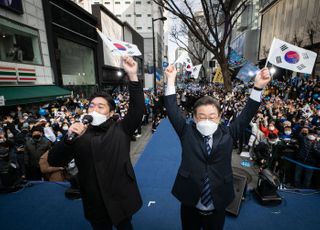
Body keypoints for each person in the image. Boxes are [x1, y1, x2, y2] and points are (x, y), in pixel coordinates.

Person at [163, 65, 271, 230]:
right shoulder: (186, 132)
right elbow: (172, 110)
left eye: (212, 117)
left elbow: (247, 114)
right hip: (190, 198)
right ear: (194, 117)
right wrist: (170, 80)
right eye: (202, 117)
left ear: (220, 117)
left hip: (218, 199)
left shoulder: (229, 133)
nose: (207, 120)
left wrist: (258, 87)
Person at [48, 56, 144, 230]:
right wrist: (68, 139)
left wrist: (133, 76)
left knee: (125, 226)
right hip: (94, 198)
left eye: (101, 106)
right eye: (91, 106)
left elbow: (138, 109)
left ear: (110, 112)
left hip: (120, 193)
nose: (94, 109)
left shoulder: (121, 129)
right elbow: (54, 160)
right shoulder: (78, 133)